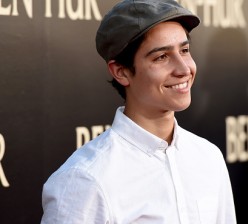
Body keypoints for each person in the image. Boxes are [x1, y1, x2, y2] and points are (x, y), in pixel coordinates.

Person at [41, 0, 237, 223]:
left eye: (184, 50)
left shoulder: (208, 157)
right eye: (161, 57)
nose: (184, 69)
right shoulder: (85, 179)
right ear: (121, 72)